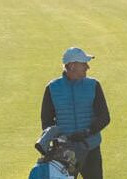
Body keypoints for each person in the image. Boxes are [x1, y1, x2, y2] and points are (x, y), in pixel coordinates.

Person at [41, 46, 111, 179]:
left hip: (90, 149)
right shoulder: (52, 88)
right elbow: (47, 121)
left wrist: (87, 132)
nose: (87, 67)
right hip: (63, 153)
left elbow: (104, 117)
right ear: (72, 66)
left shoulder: (94, 85)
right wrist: (60, 139)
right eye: (84, 64)